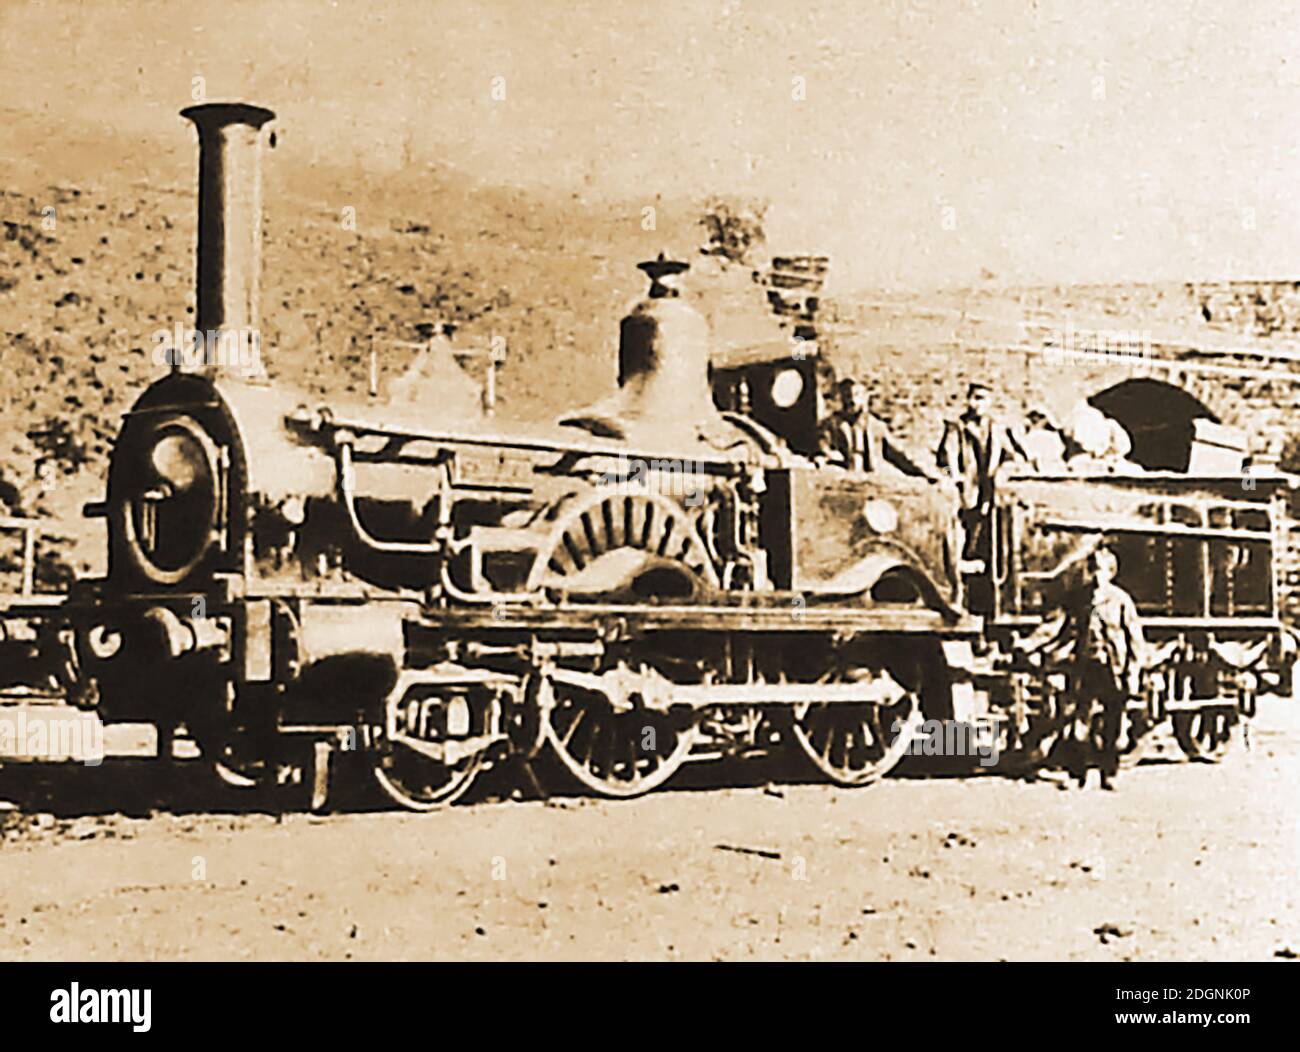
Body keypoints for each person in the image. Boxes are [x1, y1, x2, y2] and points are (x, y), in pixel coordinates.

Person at [1027, 546, 1145, 790]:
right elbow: (1063, 630)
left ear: (1111, 572)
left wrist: (1133, 674)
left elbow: (1135, 640)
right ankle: (1077, 774)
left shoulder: (1120, 600)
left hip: (1113, 668)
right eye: (1092, 570)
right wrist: (1034, 646)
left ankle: (1108, 774)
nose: (1096, 576)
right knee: (1079, 722)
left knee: (1113, 724)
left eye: (1101, 570)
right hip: (1086, 668)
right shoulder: (1079, 599)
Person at [935, 382, 1037, 585]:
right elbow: (943, 460)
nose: (976, 404)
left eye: (982, 399)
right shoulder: (956, 428)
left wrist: (1005, 471)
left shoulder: (996, 429)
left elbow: (1013, 456)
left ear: (989, 402)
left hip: (989, 495)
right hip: (964, 494)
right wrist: (953, 478)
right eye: (973, 398)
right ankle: (957, 588)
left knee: (988, 541)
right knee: (960, 539)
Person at [819, 378, 936, 479]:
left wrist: (924, 472)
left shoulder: (876, 426)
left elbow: (899, 454)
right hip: (844, 479)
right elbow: (823, 450)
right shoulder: (831, 425)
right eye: (847, 396)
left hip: (872, 479)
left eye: (856, 395)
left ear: (865, 397)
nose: (852, 400)